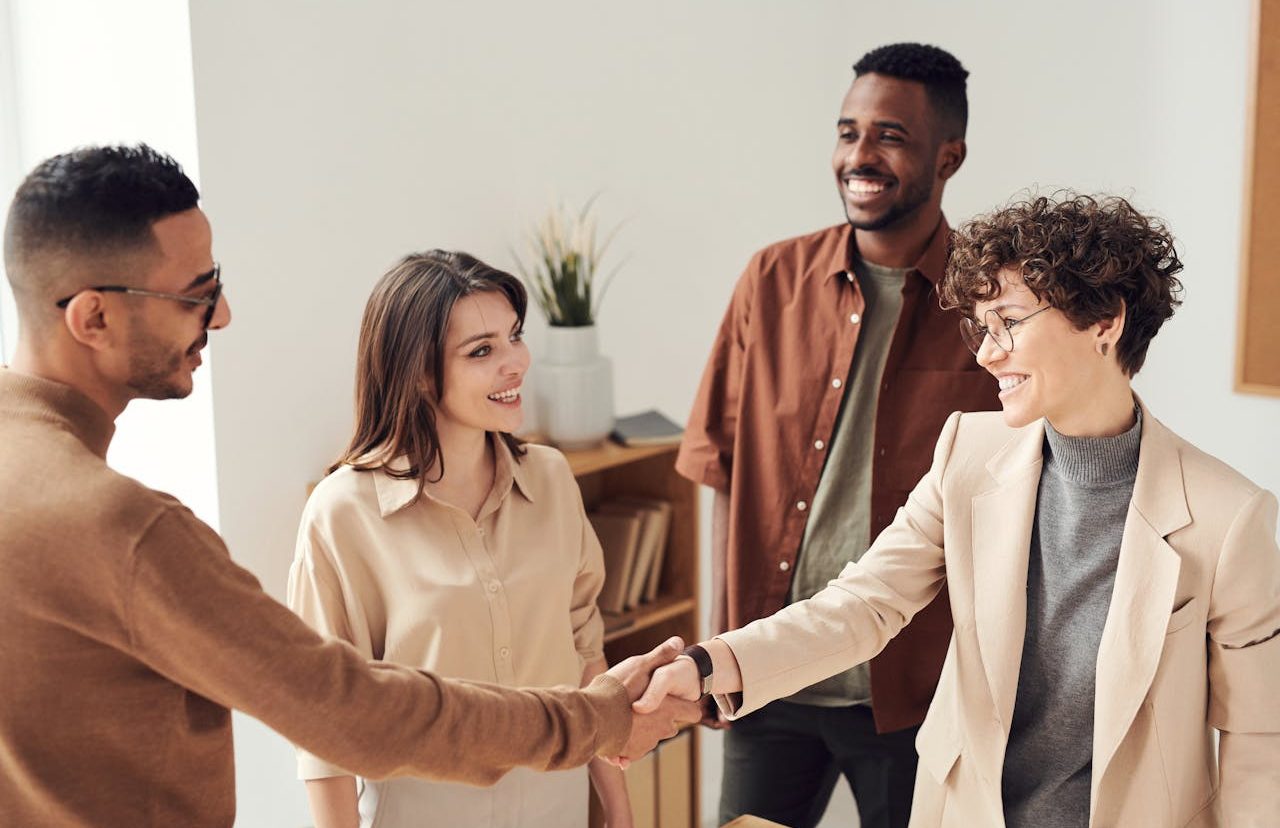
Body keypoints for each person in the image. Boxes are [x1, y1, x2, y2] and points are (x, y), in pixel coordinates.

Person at [0, 144, 698, 828]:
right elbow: (345, 712)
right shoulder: (123, 527)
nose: (222, 316)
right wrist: (596, 718)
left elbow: (578, 638)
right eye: (196, 295)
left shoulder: (548, 479)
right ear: (91, 317)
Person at [640, 193, 1280, 826]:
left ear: (1105, 323)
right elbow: (864, 605)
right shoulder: (966, 455)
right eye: (982, 327)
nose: (985, 353)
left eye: (1009, 322)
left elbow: (1260, 742)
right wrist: (706, 665)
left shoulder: (1230, 518)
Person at [676, 42, 998, 828]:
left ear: (947, 157)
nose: (860, 156)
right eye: (848, 131)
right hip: (769, 675)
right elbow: (717, 469)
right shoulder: (770, 282)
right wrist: (720, 648)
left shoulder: (990, 304)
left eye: (889, 136)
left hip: (913, 691)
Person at [289, 251, 632, 828]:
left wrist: (618, 812)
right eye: (482, 351)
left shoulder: (550, 479)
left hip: (559, 813)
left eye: (514, 337)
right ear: (419, 374)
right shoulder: (344, 513)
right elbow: (324, 725)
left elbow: (586, 656)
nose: (515, 363)